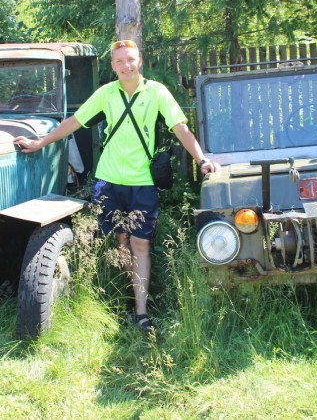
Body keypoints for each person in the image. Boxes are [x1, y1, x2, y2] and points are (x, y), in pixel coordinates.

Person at [14, 39, 219, 333]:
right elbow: (74, 122)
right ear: (113, 66)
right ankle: (129, 292)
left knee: (141, 243)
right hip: (108, 181)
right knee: (120, 241)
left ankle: (141, 312)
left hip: (142, 183)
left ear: (140, 62)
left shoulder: (157, 92)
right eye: (120, 61)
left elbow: (180, 128)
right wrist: (40, 142)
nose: (126, 65)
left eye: (131, 59)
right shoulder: (106, 94)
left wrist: (201, 160)